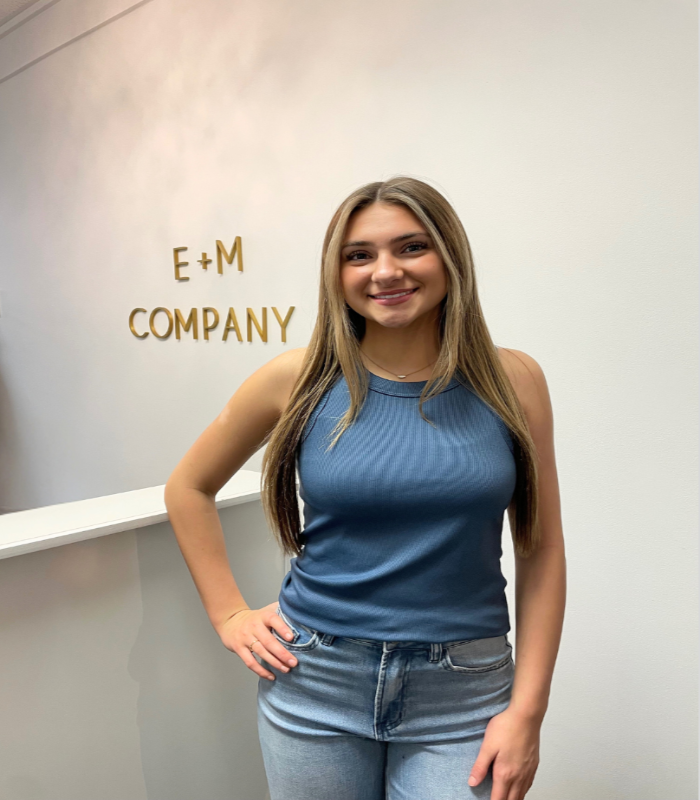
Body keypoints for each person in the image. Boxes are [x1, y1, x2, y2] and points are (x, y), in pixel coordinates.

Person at [164, 176, 566, 800]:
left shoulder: (515, 381)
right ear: (337, 270)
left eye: (411, 247)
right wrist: (230, 614)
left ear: (449, 256)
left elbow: (541, 549)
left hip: (463, 692)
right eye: (360, 255)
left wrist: (528, 713)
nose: (385, 271)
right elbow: (188, 486)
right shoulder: (295, 378)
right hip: (314, 678)